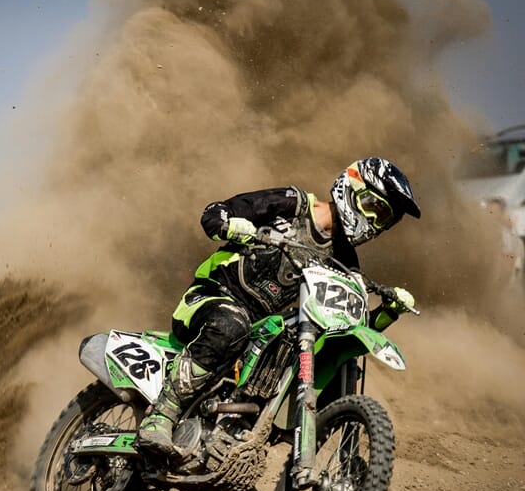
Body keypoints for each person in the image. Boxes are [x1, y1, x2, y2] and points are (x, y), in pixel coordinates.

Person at [136, 157, 421, 456]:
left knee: (313, 356)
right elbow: (216, 211)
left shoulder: (345, 259)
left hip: (260, 332)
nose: (376, 224)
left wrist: (389, 312)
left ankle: (240, 450)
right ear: (352, 188)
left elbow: (350, 328)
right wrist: (230, 225)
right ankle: (162, 414)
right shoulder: (292, 205)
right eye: (375, 210)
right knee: (232, 324)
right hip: (211, 298)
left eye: (385, 221)